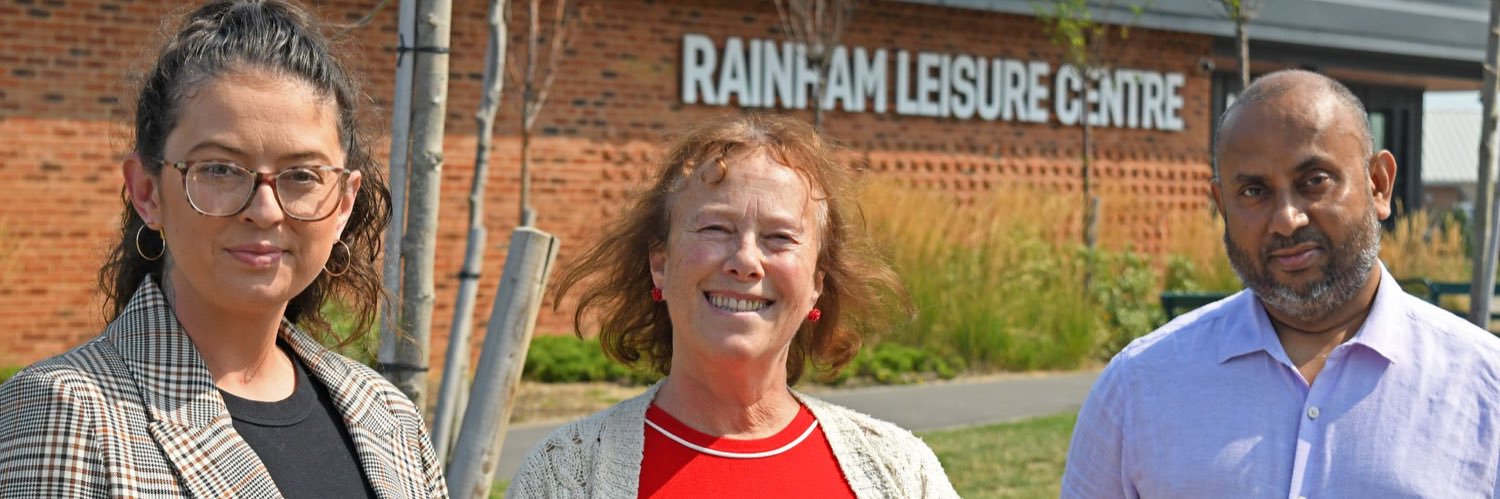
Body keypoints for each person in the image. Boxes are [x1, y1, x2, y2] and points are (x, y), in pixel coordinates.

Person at [0, 1, 447, 497]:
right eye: (220, 169)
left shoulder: (390, 418)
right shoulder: (67, 414)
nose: (266, 210)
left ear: (343, 202)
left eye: (302, 176)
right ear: (148, 193)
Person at [1061, 69, 1500, 497]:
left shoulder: (1486, 390)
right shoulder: (1140, 387)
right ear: (1222, 206)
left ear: (1379, 185)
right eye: (1254, 191)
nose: (1287, 219)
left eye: (1314, 181)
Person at [507, 113, 957, 498]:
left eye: (779, 237)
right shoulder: (565, 476)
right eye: (716, 228)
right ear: (659, 263)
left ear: (817, 283)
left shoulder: (902, 472)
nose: (745, 261)